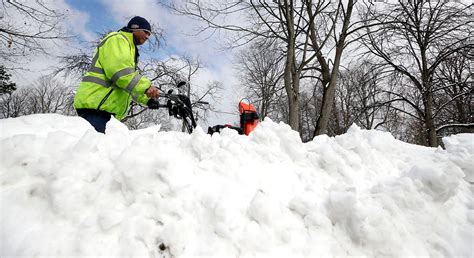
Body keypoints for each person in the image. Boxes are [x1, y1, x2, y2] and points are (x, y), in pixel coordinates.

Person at [73, 16, 160, 133]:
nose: (147, 37)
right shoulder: (118, 39)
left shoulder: (129, 48)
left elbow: (126, 84)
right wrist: (146, 87)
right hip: (96, 109)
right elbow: (120, 73)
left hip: (105, 113)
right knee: (93, 150)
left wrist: (147, 99)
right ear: (135, 28)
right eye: (146, 32)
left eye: (149, 34)